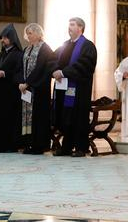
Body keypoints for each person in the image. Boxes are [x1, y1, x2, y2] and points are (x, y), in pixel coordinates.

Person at [52, 17, 97, 157]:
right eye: (69, 25)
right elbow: (53, 60)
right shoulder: (64, 45)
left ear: (80, 28)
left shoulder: (87, 46)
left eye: (72, 25)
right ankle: (66, 147)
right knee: (65, 117)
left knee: (78, 117)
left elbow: (85, 65)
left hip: (78, 89)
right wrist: (54, 70)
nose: (69, 27)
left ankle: (81, 148)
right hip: (63, 88)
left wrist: (64, 72)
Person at [0, 24, 24, 153]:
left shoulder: (19, 55)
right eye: (1, 38)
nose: (2, 40)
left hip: (11, 93)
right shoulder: (0, 55)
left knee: (9, 119)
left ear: (12, 39)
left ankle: (9, 145)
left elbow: (20, 73)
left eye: (5, 38)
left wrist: (5, 74)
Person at [18, 23, 55, 155]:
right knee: (27, 118)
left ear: (39, 34)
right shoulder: (27, 49)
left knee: (38, 117)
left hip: (39, 89)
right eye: (27, 33)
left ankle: (39, 145)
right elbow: (21, 67)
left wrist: (28, 83)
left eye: (31, 33)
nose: (28, 36)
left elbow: (40, 69)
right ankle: (28, 144)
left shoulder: (45, 49)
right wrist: (21, 82)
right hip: (26, 89)